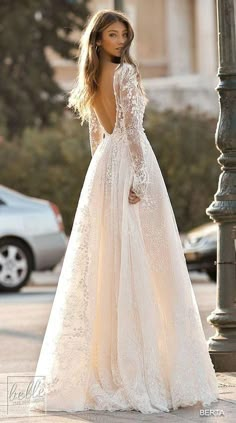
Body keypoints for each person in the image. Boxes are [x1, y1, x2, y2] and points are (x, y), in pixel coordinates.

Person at [30, 9, 219, 415]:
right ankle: (142, 370)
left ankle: (116, 365)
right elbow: (133, 129)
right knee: (150, 261)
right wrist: (139, 178)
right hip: (132, 165)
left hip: (104, 169)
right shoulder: (127, 75)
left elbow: (97, 136)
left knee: (110, 259)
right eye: (113, 34)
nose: (122, 40)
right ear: (98, 39)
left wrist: (105, 174)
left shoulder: (91, 77)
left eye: (124, 33)